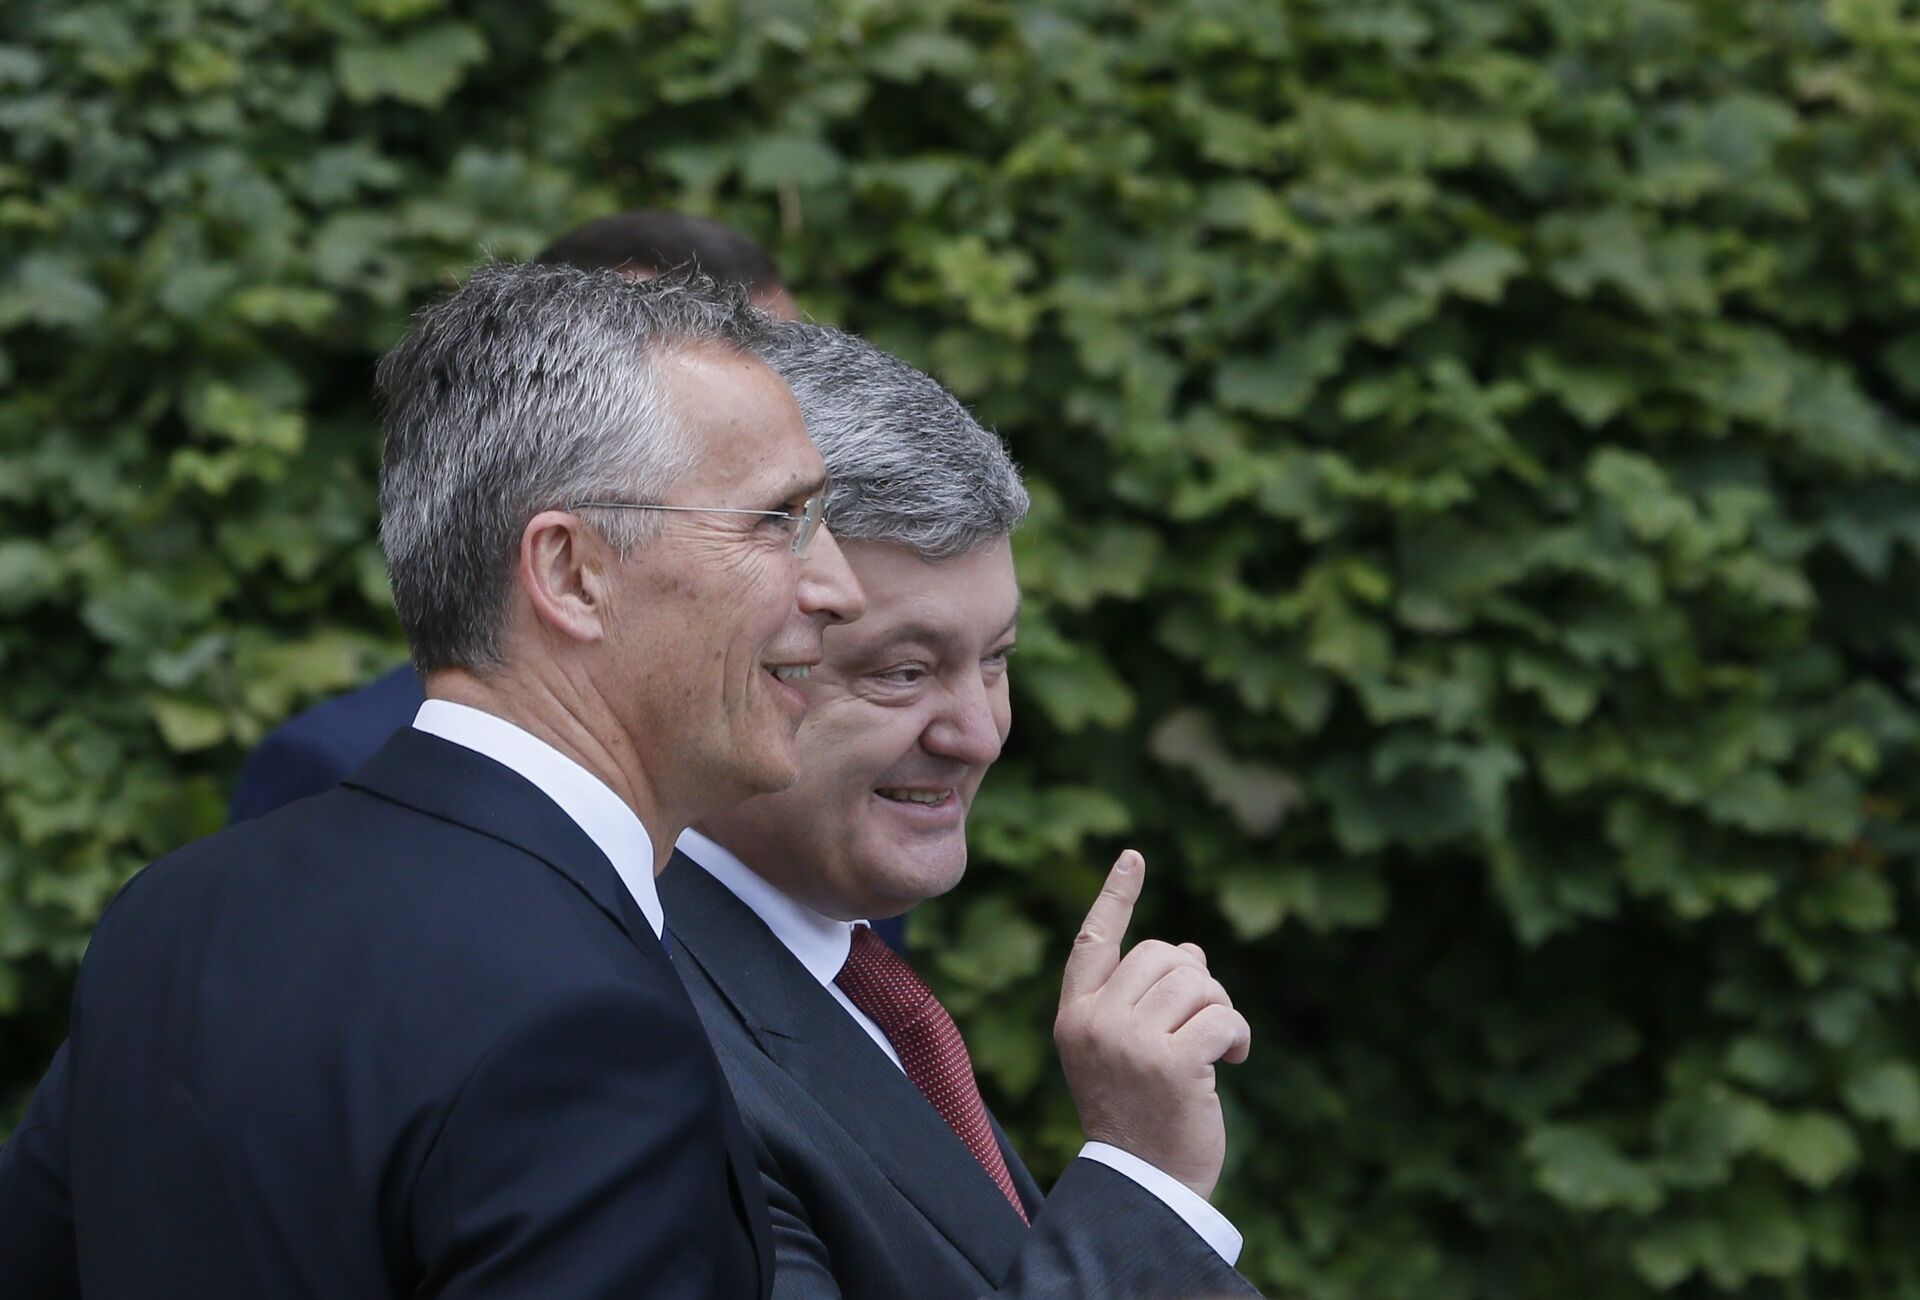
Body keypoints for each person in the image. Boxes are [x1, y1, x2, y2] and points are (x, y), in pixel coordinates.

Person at [0, 264, 865, 1298]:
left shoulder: (176, 910)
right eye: (778, 518)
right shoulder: (580, 1018)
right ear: (571, 573)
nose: (840, 587)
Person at [659, 324, 1260, 1298]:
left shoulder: (846, 977)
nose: (978, 734)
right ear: (721, 653)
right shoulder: (641, 1038)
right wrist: (1142, 1179)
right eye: (903, 671)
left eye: (996, 658)